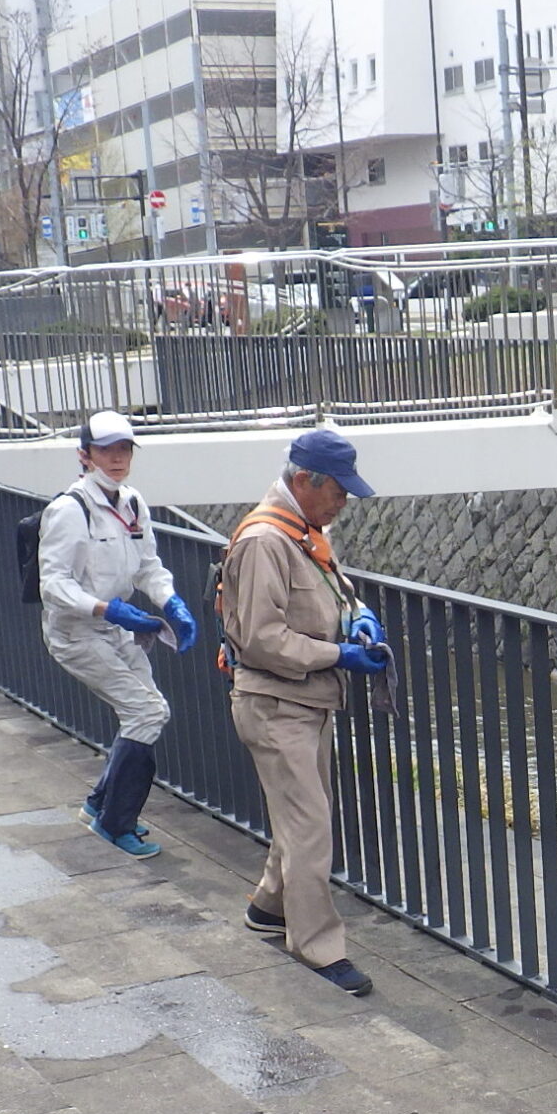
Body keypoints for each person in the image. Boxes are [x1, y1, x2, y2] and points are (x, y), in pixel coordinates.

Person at [218, 427, 388, 996]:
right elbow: (263, 638)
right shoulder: (266, 541)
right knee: (310, 826)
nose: (344, 502)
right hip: (276, 703)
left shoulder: (303, 530)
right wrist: (339, 654)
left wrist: (359, 616)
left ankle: (268, 908)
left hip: (305, 700)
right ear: (304, 480)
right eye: (338, 490)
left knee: (301, 818)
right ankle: (317, 946)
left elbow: (333, 593)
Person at [36, 410, 198, 859]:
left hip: (115, 627)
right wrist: (107, 608)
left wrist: (171, 602)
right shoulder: (69, 510)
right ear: (84, 455)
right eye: (106, 450)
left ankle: (99, 804)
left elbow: (148, 566)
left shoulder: (132, 503)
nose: (117, 458)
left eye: (124, 448)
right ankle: (114, 821)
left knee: (149, 711)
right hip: (77, 633)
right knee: (147, 712)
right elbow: (54, 585)